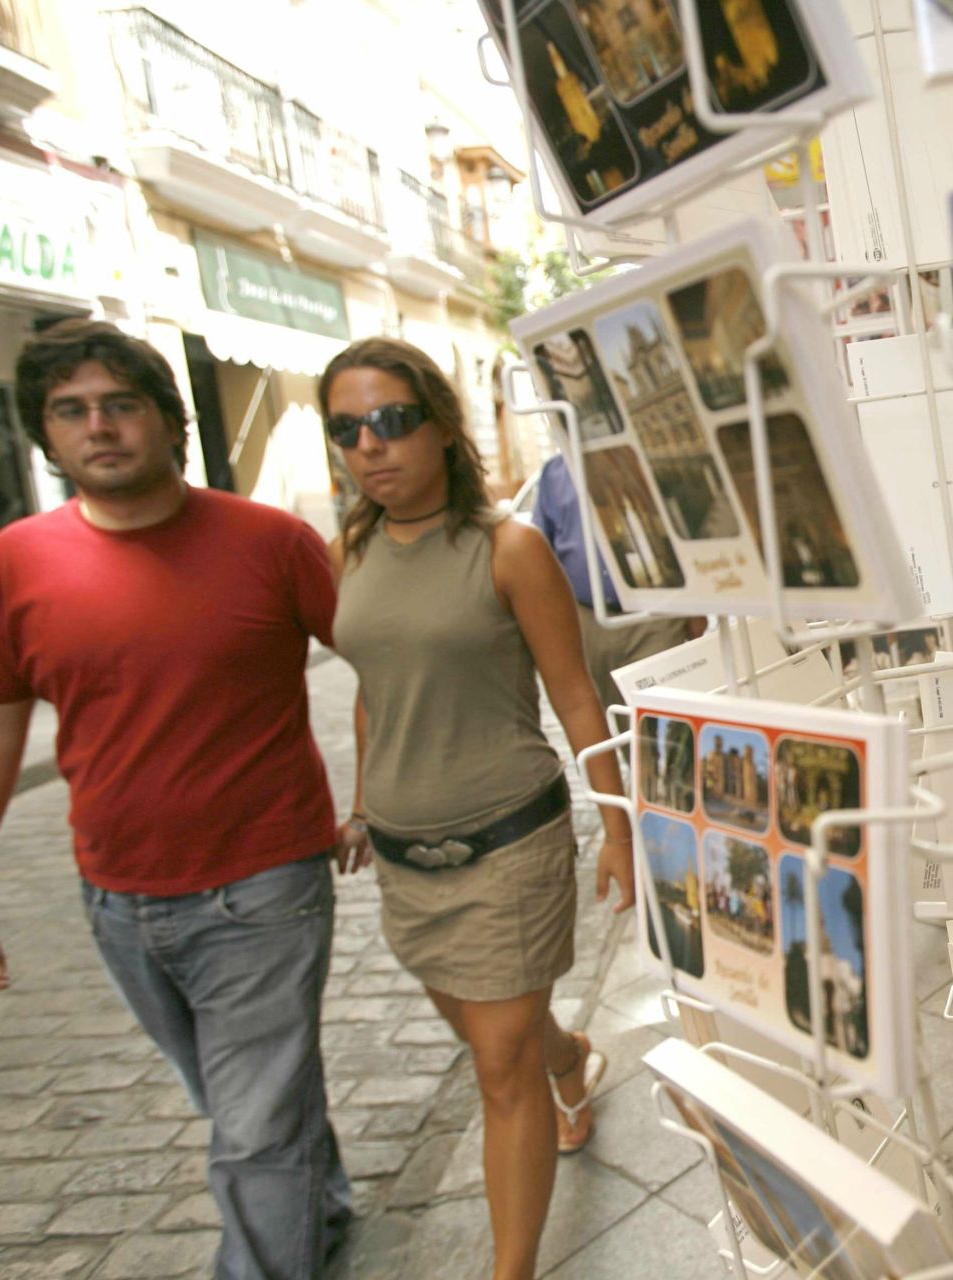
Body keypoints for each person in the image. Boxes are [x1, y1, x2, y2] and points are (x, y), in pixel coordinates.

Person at [0, 319, 352, 1278]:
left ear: (166, 421)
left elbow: (390, 661)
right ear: (46, 433)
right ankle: (326, 1198)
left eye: (120, 405)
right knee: (243, 1101)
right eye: (72, 411)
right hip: (113, 898)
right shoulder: (14, 561)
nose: (98, 427)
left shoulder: (270, 541)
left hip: (263, 887)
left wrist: (393, 794)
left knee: (253, 1127)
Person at [321, 338, 633, 1280]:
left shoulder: (511, 548)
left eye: (391, 420)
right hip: (409, 858)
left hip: (506, 845)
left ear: (443, 430)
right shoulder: (356, 547)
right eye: (347, 430)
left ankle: (511, 1268)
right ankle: (572, 1057)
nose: (371, 446)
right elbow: (376, 685)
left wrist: (618, 827)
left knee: (498, 1069)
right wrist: (365, 801)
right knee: (503, 1035)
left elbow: (576, 696)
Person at [530, 449, 695, 706]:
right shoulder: (555, 472)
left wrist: (695, 608)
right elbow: (541, 549)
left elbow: (683, 531)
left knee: (661, 718)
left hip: (656, 615)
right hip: (587, 620)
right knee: (610, 717)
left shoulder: (643, 455)